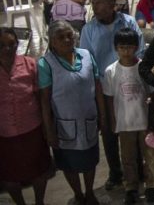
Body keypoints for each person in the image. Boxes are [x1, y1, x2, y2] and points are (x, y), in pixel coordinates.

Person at [80, 0, 145, 191]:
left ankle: (137, 171)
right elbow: (87, 60)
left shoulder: (128, 23)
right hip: (103, 86)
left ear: (111, 4)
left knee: (134, 127)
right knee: (108, 129)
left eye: (99, 2)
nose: (95, 7)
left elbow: (141, 50)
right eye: (94, 3)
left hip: (130, 80)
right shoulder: (88, 30)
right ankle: (115, 172)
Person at [38, 21, 105, 205]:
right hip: (64, 125)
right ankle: (78, 194)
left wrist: (102, 115)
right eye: (61, 37)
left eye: (70, 35)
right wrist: (49, 130)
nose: (67, 40)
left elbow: (97, 87)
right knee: (69, 164)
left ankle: (89, 192)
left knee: (90, 160)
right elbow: (44, 101)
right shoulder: (46, 64)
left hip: (88, 119)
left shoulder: (85, 55)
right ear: (52, 41)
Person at [102, 28, 154, 205]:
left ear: (136, 47)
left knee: (149, 155)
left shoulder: (143, 68)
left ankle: (152, 186)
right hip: (124, 123)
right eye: (122, 47)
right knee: (128, 158)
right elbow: (110, 99)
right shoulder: (111, 71)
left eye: (129, 47)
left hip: (144, 121)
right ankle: (131, 188)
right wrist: (113, 121)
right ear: (116, 48)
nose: (126, 51)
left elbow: (153, 94)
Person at [0, 27, 51, 205]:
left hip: (32, 128)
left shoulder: (30, 64)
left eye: (11, 44)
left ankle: (39, 201)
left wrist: (47, 127)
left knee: (39, 170)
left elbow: (41, 99)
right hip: (5, 133)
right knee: (10, 176)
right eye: (2, 46)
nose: (7, 49)